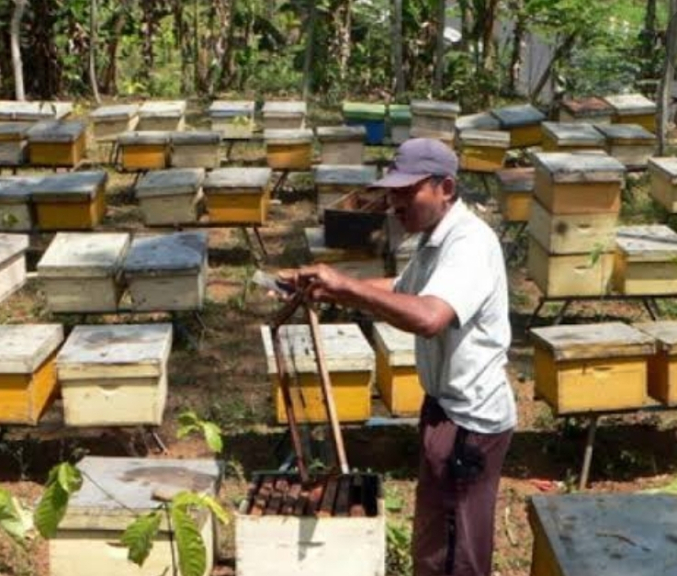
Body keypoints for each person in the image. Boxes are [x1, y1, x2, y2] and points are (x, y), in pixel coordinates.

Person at [281, 138, 516, 576]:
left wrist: (346, 286)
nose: (395, 203)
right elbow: (402, 290)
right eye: (393, 192)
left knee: (456, 554)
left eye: (409, 191)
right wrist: (330, 288)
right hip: (445, 409)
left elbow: (429, 316)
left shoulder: (468, 244)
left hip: (469, 421)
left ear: (446, 188)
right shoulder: (433, 239)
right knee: (435, 540)